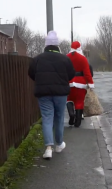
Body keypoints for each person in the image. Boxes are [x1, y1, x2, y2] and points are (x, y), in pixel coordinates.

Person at [28, 31, 75, 159]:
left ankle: (48, 148)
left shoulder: (37, 59)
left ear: (46, 45)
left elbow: (31, 73)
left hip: (43, 94)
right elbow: (71, 74)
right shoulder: (65, 59)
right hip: (60, 93)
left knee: (47, 118)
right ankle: (59, 144)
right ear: (57, 46)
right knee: (59, 118)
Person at [66, 41, 94, 127]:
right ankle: (77, 122)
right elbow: (87, 73)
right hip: (81, 83)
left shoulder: (66, 58)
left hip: (69, 82)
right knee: (79, 101)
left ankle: (71, 114)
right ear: (79, 48)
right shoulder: (83, 58)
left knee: (69, 100)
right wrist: (90, 83)